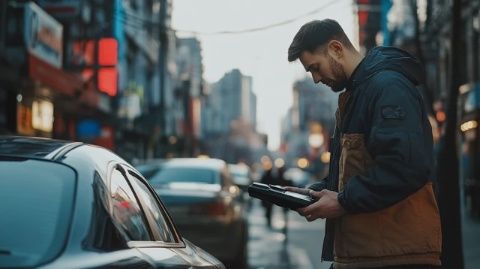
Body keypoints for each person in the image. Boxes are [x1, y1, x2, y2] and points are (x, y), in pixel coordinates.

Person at [285, 19, 442, 269]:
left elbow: (406, 167)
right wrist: (317, 193)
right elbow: (360, 172)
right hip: (366, 255)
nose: (315, 79)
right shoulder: (357, 94)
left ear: (336, 49)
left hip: (397, 258)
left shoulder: (387, 87)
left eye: (315, 67)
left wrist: (343, 201)